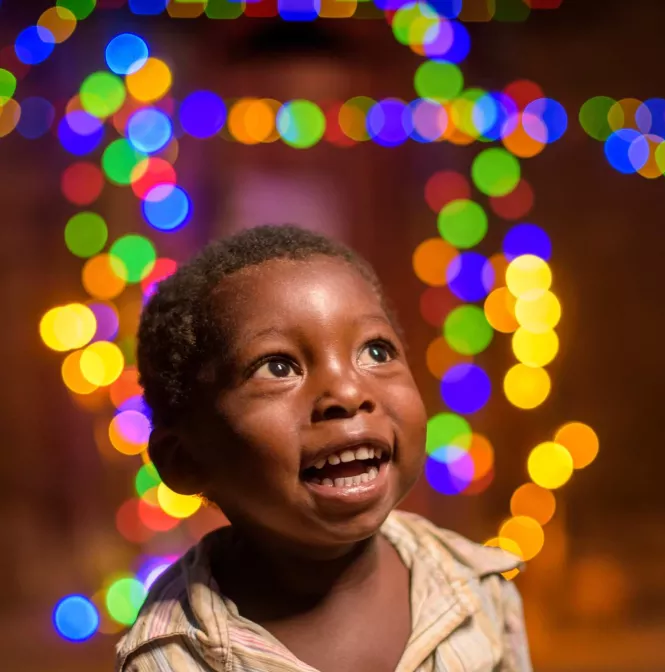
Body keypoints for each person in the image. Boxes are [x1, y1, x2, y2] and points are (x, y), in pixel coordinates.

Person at [116, 224, 532, 671]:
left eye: (375, 352)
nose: (348, 392)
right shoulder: (171, 658)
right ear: (187, 460)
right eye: (277, 366)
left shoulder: (478, 586)